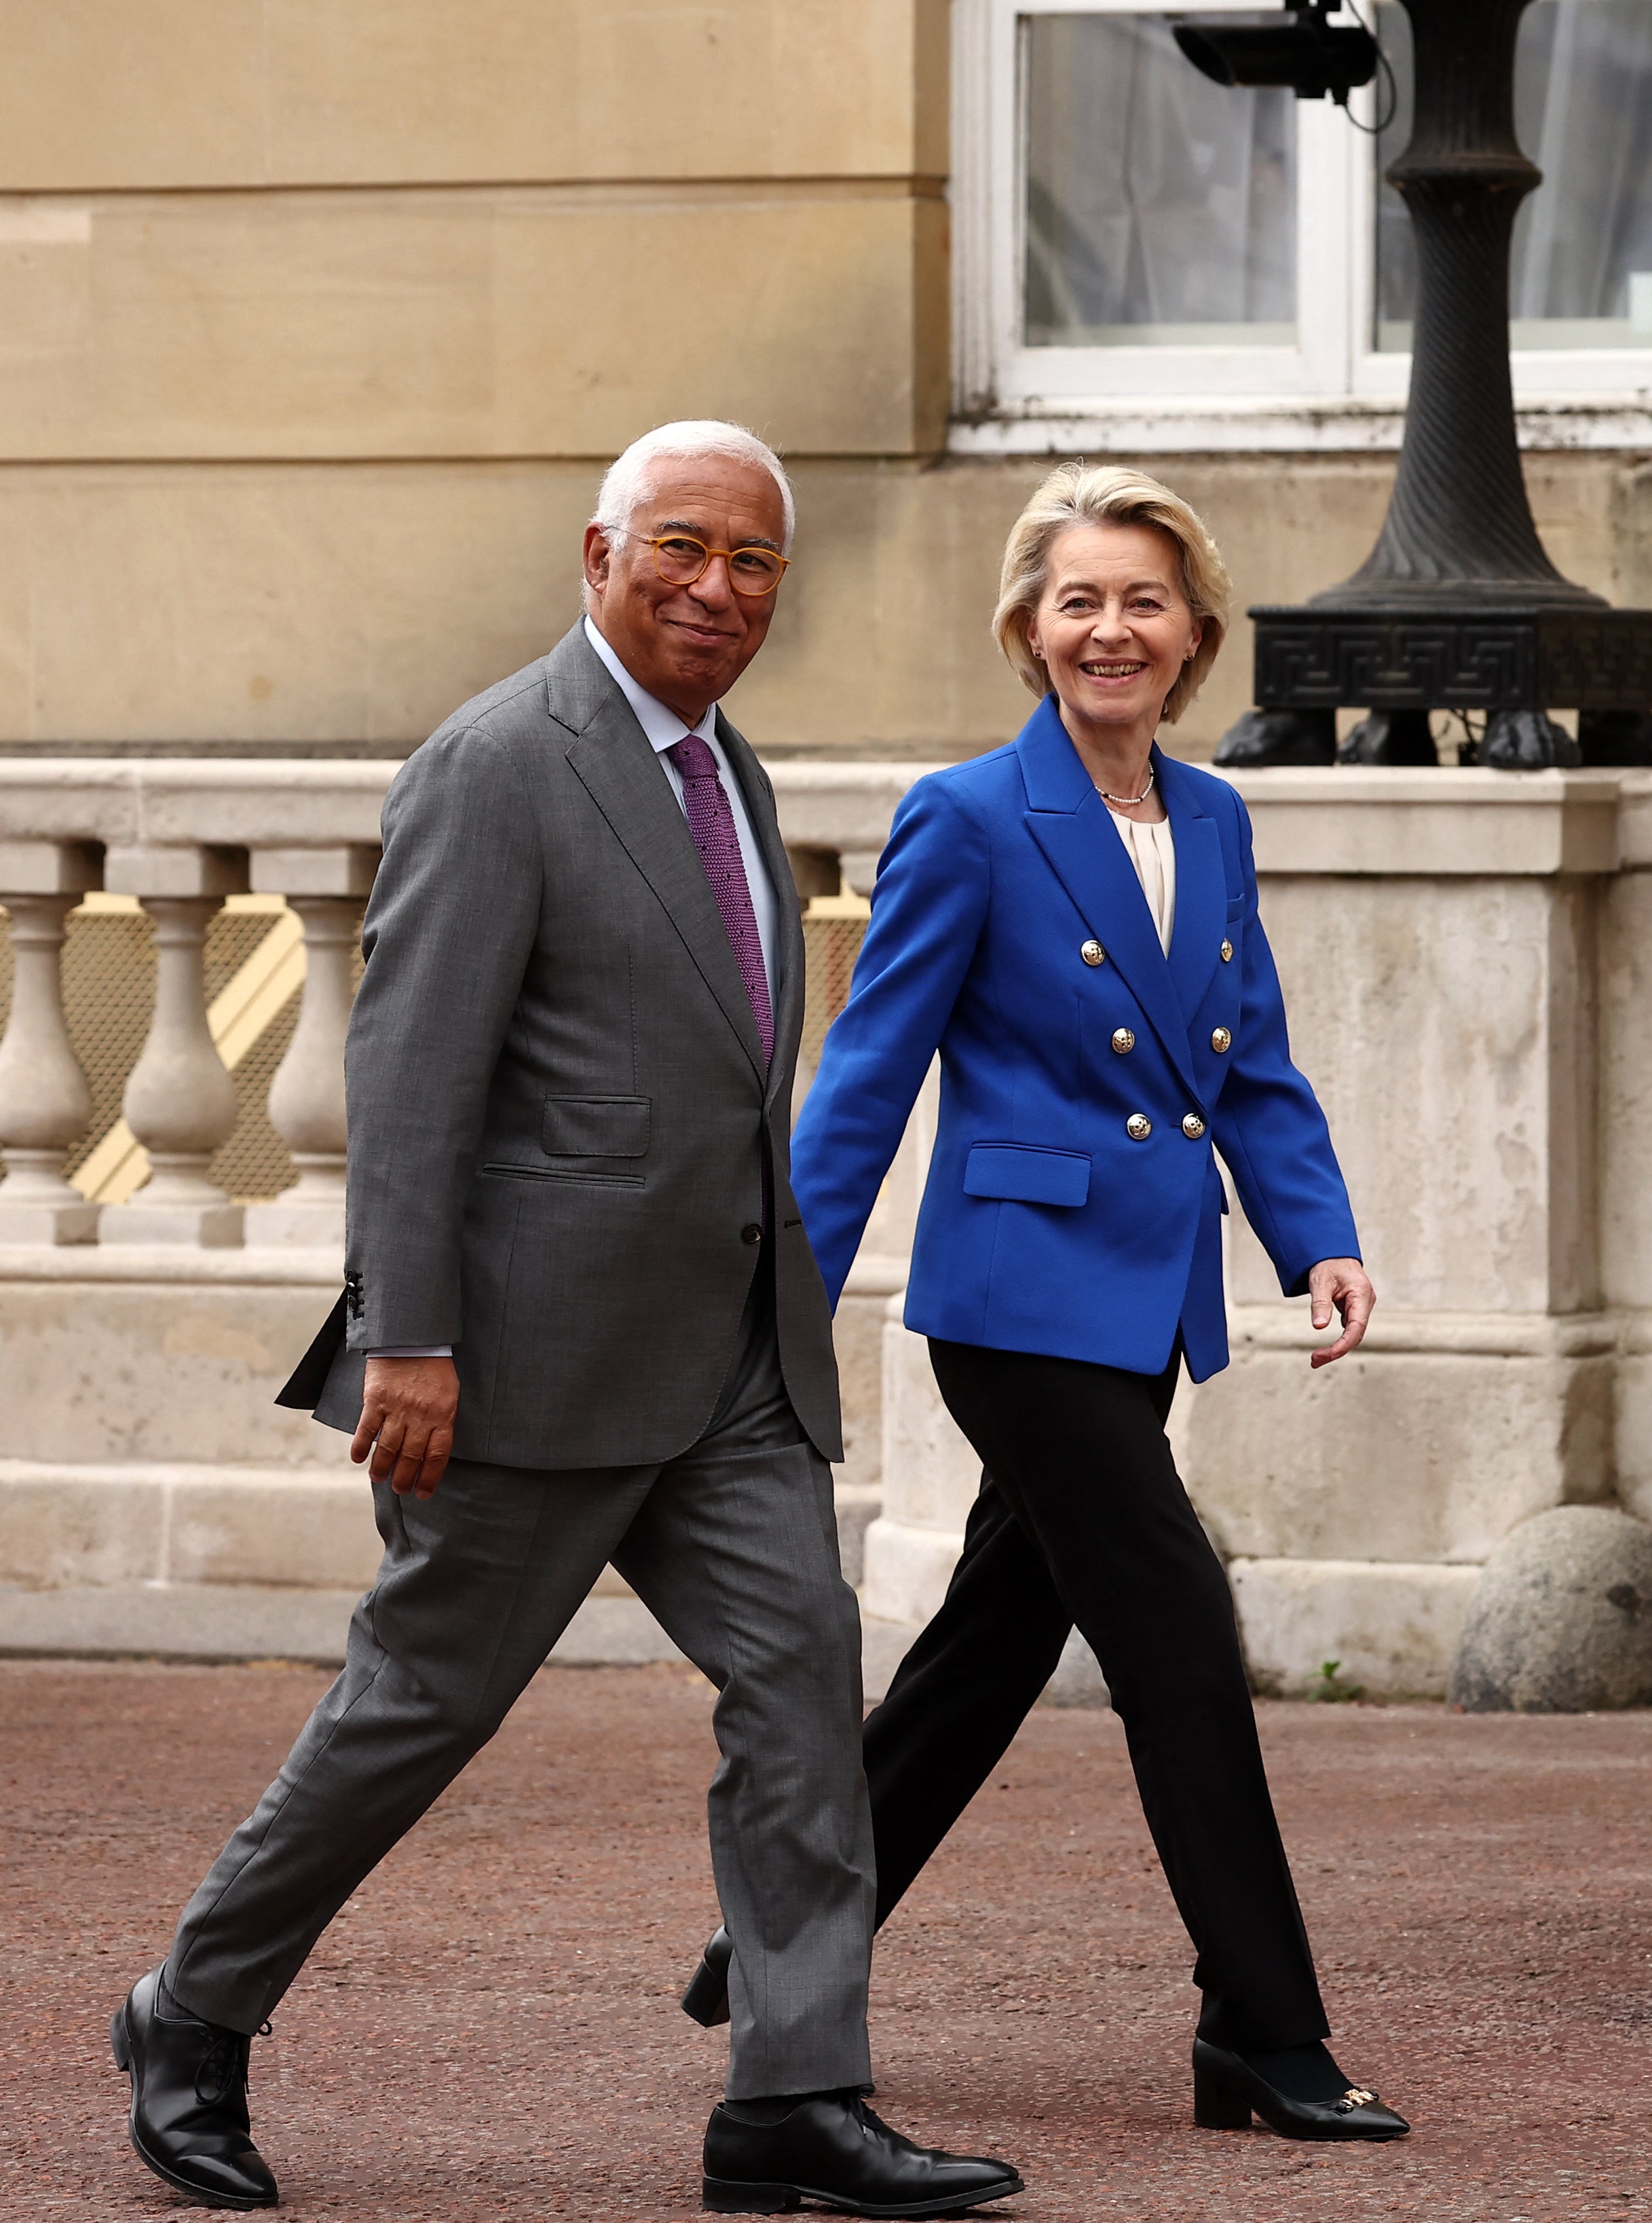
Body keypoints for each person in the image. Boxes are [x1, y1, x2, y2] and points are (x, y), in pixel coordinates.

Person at [110, 421, 1022, 2216]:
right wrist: (409, 1338)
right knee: (415, 1711)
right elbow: (412, 1076)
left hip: (732, 1366)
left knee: (800, 1688)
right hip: (517, 1370)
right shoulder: (499, 762)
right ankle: (191, 2011)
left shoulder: (732, 772)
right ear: (596, 554)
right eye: (683, 546)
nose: (717, 586)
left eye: (754, 561)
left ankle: (792, 2091)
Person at [679, 461, 1407, 2143]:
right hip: (1013, 1303)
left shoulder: (1215, 818)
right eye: (1076, 598)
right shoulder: (967, 813)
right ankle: (1263, 2031)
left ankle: (775, 1939)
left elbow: (1256, 1064)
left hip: (1144, 1301)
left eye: (1142, 599)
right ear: (1027, 626)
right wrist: (772, 1285)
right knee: (1175, 1631)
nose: (1109, 627)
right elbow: (868, 1069)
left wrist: (1317, 1236)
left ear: (1195, 631)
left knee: (990, 1646)